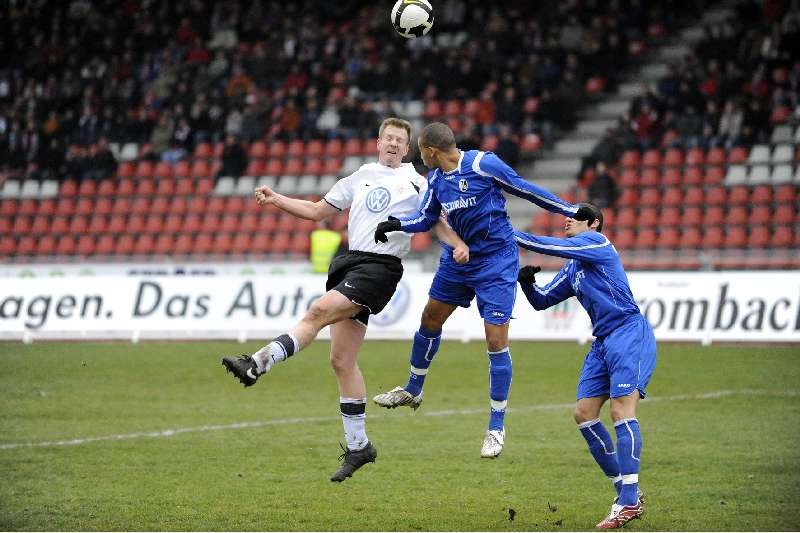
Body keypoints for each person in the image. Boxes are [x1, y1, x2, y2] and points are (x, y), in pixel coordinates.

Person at [221, 118, 469, 482]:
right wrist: (276, 199)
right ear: (379, 142)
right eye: (388, 139)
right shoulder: (360, 176)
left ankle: (258, 363)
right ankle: (359, 447)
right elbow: (319, 210)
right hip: (349, 263)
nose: (393, 145)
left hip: (380, 269)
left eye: (400, 141)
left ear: (407, 148)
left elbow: (436, 223)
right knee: (341, 361)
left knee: (318, 311)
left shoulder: (418, 181)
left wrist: (458, 243)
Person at [372, 122, 592, 458]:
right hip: (458, 262)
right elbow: (426, 218)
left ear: (431, 151)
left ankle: (496, 427)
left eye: (422, 151)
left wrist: (570, 210)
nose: (421, 157)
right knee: (430, 317)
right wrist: (398, 224)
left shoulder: (482, 164)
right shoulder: (435, 180)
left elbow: (525, 189)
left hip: (496, 262)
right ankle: (413, 389)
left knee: (495, 340)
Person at [513, 203, 656, 529]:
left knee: (622, 410)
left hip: (627, 334)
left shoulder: (599, 244)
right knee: (584, 414)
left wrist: (509, 234)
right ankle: (625, 492)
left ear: (593, 224)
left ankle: (630, 501)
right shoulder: (574, 267)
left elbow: (550, 246)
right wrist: (526, 284)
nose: (568, 219)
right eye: (568, 215)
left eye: (577, 216)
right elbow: (542, 301)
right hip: (603, 342)